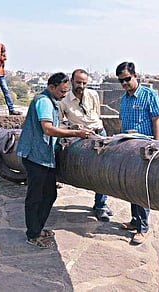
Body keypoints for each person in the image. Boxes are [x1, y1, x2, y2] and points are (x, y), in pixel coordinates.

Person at [16, 72, 92, 248]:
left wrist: (72, 127)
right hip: (36, 156)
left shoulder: (52, 101)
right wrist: (75, 133)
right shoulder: (43, 101)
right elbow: (48, 129)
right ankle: (33, 234)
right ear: (51, 87)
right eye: (62, 92)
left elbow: (55, 125)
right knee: (36, 196)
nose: (64, 95)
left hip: (44, 157)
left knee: (49, 194)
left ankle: (37, 228)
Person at [58, 69, 115, 222]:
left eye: (84, 83)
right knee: (93, 171)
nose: (81, 86)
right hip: (82, 138)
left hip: (100, 133)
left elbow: (97, 114)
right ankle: (100, 204)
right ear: (71, 81)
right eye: (78, 82)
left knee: (103, 170)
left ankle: (101, 204)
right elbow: (61, 123)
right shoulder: (64, 101)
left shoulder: (93, 95)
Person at [115, 61, 159, 244]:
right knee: (130, 186)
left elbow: (156, 121)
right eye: (122, 81)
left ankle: (143, 228)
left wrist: (157, 146)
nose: (125, 83)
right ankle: (135, 221)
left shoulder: (149, 95)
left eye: (127, 79)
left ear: (135, 76)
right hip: (128, 147)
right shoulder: (124, 99)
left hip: (144, 146)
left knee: (141, 188)